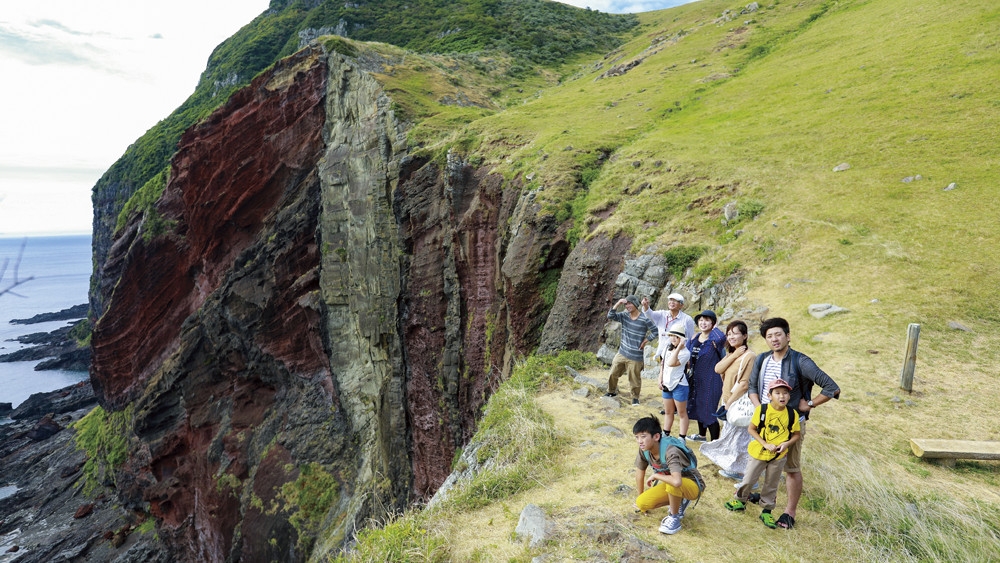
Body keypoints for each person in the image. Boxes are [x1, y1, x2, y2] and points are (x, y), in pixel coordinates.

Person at [747, 317, 841, 529]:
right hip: (765, 421)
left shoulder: (800, 361)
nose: (774, 339)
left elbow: (831, 387)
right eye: (769, 336)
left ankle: (790, 512)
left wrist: (809, 403)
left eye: (778, 334)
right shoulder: (762, 359)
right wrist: (760, 411)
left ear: (788, 336)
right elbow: (752, 388)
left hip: (790, 425)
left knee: (791, 467)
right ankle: (764, 499)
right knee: (762, 460)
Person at [724, 378, 800, 529]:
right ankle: (740, 500)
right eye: (777, 393)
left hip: (778, 456)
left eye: (785, 393)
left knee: (771, 483)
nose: (782, 396)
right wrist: (765, 443)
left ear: (789, 396)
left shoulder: (792, 414)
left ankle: (767, 510)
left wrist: (786, 444)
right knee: (749, 478)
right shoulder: (762, 410)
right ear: (769, 395)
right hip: (759, 452)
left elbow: (796, 434)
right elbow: (751, 429)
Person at [700, 320, 756, 479]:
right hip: (727, 401)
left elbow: (744, 384)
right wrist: (735, 354)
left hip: (737, 402)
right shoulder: (734, 353)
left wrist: (729, 404)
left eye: (735, 333)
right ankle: (734, 469)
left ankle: (743, 473)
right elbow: (718, 369)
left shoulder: (749, 356)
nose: (731, 336)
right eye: (729, 334)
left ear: (745, 335)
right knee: (731, 437)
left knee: (739, 439)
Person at [633, 414, 705, 535]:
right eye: (637, 437)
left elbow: (676, 481)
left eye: (643, 437)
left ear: (656, 436)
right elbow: (640, 472)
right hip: (672, 484)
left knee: (672, 483)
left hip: (693, 485)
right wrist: (640, 498)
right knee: (641, 503)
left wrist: (656, 476)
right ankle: (679, 500)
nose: (640, 441)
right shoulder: (644, 450)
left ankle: (674, 518)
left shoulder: (670, 450)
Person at [604, 295, 656, 406]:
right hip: (622, 352)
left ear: (636, 304)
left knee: (634, 379)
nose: (627, 306)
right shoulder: (624, 315)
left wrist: (646, 340)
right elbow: (610, 315)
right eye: (626, 304)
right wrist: (618, 303)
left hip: (636, 356)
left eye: (629, 303)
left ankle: (635, 399)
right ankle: (611, 392)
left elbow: (656, 331)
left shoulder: (644, 319)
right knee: (613, 373)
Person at [685, 310, 726, 442]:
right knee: (697, 405)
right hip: (695, 379)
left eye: (707, 320)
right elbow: (687, 353)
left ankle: (715, 442)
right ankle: (702, 436)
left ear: (713, 323)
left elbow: (721, 337)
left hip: (711, 380)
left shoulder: (715, 340)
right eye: (701, 320)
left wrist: (714, 328)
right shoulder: (695, 338)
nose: (703, 323)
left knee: (709, 410)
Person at [641, 293, 695, 364]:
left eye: (675, 301)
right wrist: (645, 306)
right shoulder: (662, 314)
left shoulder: (687, 319)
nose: (672, 302)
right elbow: (649, 314)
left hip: (679, 354)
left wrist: (688, 357)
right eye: (670, 300)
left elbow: (690, 339)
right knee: (663, 374)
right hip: (663, 352)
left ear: (681, 305)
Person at [658, 325, 691, 439]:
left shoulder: (685, 353)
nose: (672, 339)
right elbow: (663, 364)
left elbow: (671, 363)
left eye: (676, 337)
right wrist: (660, 378)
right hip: (667, 384)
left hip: (679, 385)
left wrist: (678, 347)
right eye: (671, 336)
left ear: (681, 339)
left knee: (682, 413)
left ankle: (682, 437)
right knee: (668, 411)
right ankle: (665, 433)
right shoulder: (667, 348)